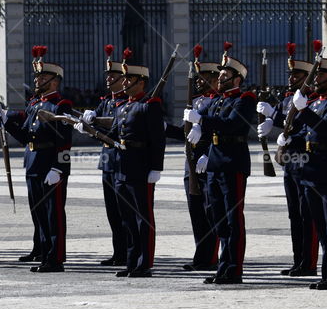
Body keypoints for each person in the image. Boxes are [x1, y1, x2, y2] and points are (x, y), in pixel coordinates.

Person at [0, 46, 72, 272]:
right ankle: (44, 252)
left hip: (50, 166)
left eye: (43, 77)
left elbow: (65, 141)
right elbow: (25, 136)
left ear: (55, 81)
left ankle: (55, 258)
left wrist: (59, 168)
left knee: (53, 215)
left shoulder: (61, 105)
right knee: (39, 214)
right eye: (37, 76)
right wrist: (5, 121)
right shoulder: (35, 105)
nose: (37, 80)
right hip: (33, 163)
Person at [184, 49, 256, 285]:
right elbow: (198, 123)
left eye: (225, 73)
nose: (221, 77)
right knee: (217, 218)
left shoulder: (244, 100)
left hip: (232, 162)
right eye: (221, 73)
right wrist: (168, 129)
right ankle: (223, 266)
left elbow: (232, 124)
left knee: (233, 218)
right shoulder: (216, 101)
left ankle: (234, 269)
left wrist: (201, 121)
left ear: (236, 78)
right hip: (215, 162)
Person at [284, 57, 327, 290]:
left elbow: (325, 130)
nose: (315, 79)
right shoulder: (313, 104)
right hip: (310, 168)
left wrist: (303, 110)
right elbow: (305, 133)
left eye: (320, 76)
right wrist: (288, 137)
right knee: (320, 226)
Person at [101, 47, 165, 278]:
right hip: (121, 167)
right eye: (124, 78)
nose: (125, 82)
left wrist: (156, 168)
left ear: (141, 81)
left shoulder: (150, 105)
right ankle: (131, 261)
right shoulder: (123, 106)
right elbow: (114, 133)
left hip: (141, 168)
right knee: (127, 219)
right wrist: (90, 127)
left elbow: (158, 140)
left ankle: (144, 263)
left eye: (129, 78)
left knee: (142, 219)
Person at [257, 43, 318, 277]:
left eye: (297, 75)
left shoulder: (310, 101)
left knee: (306, 213)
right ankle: (298, 260)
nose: (291, 79)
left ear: (307, 78)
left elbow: (304, 127)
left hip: (305, 159)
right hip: (290, 161)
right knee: (294, 213)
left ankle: (309, 263)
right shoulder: (286, 99)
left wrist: (275, 117)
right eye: (291, 75)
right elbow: (287, 122)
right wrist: (274, 121)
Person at [165, 44, 220, 272]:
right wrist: (165, 127)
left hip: (208, 160)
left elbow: (222, 133)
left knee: (210, 212)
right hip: (191, 164)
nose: (199, 81)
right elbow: (184, 133)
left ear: (216, 79)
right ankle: (201, 256)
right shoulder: (196, 102)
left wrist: (209, 155)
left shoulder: (219, 102)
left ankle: (211, 257)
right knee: (196, 214)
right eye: (198, 77)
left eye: (204, 77)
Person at [80, 45, 127, 266]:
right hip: (107, 162)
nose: (108, 79)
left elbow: (117, 128)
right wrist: (85, 122)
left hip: (123, 161)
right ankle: (119, 252)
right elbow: (96, 122)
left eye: (113, 76)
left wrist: (95, 123)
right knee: (112, 212)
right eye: (107, 76)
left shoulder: (127, 103)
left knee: (124, 211)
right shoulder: (107, 101)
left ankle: (130, 251)